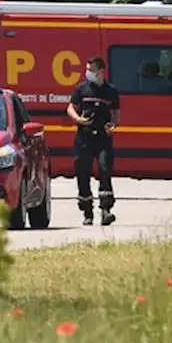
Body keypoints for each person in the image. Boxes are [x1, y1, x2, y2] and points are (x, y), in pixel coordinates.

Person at [67, 57, 121, 226]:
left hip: (103, 138)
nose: (88, 73)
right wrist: (79, 119)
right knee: (82, 173)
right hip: (84, 137)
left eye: (91, 70)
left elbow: (116, 114)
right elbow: (71, 108)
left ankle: (106, 210)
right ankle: (87, 212)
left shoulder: (110, 91)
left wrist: (112, 125)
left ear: (101, 71)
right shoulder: (81, 89)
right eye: (87, 69)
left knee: (105, 169)